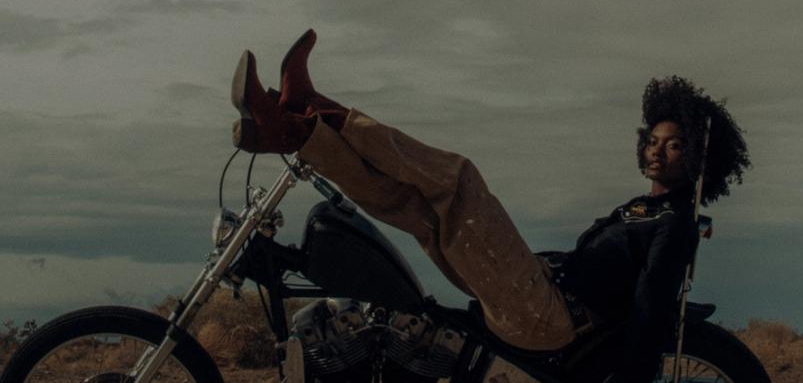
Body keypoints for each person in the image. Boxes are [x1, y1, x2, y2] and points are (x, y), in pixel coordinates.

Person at [230, 30, 750, 382]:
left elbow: (652, 306)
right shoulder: (639, 209)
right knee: (414, 205)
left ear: (698, 157)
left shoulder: (676, 222)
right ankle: (300, 134)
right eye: (654, 141)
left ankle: (315, 110)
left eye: (675, 145)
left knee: (459, 181)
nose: (658, 151)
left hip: (546, 313)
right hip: (540, 290)